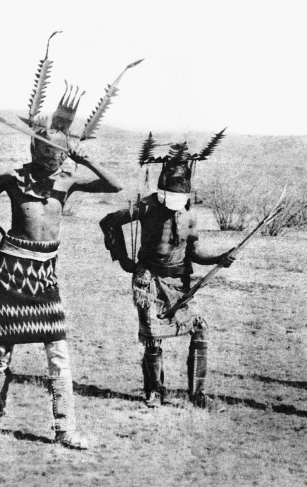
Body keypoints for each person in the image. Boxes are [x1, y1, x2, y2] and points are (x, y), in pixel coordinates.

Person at [0, 54, 125, 448]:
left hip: (45, 273)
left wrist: (86, 159)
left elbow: (115, 186)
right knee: (3, 347)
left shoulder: (66, 183)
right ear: (38, 154)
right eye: (50, 157)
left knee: (58, 352)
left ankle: (64, 428)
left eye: (60, 158)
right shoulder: (14, 179)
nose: (55, 164)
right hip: (12, 268)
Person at [99, 133, 233, 409]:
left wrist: (219, 258)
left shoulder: (190, 215)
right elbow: (109, 222)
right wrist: (123, 260)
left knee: (199, 329)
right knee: (152, 336)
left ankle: (197, 394)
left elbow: (193, 252)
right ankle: (154, 391)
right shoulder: (147, 206)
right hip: (149, 281)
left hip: (179, 284)